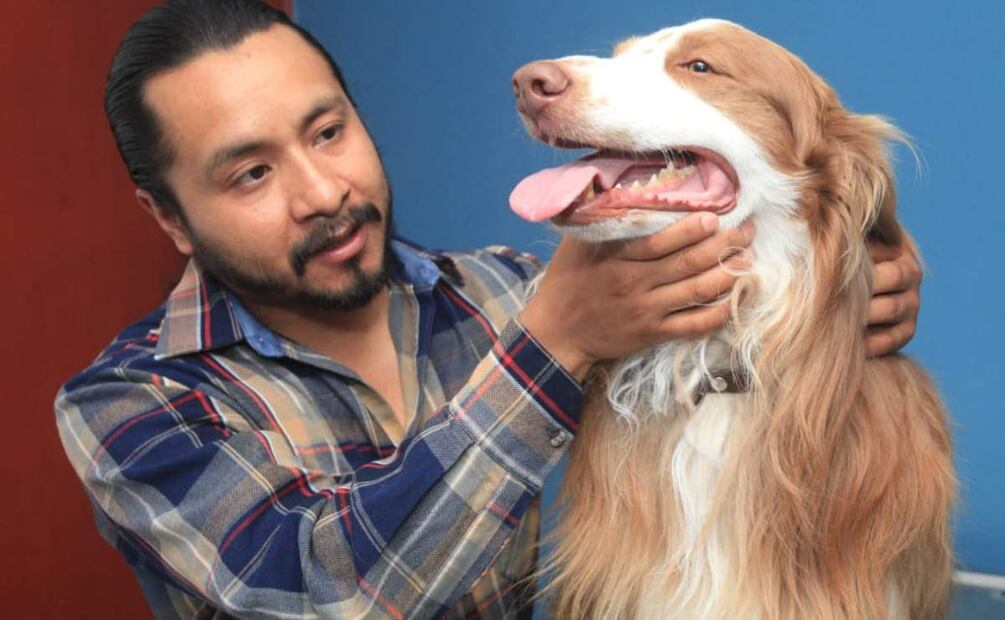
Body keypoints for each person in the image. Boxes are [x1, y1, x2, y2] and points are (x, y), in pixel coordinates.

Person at [54, 1, 923, 618]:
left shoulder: (502, 292)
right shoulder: (128, 403)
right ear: (169, 217)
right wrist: (556, 345)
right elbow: (326, 598)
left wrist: (859, 262)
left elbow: (762, 300)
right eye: (251, 173)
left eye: (328, 133)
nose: (322, 192)